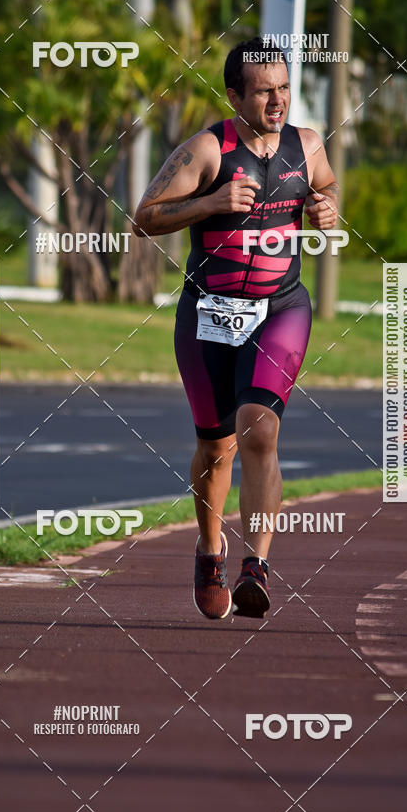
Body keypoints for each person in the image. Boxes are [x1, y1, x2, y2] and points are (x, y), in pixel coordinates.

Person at [133, 36, 339, 620]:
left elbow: (326, 188)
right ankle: (209, 549)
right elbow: (145, 218)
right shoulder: (206, 149)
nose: (277, 100)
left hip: (281, 308)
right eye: (264, 91)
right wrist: (213, 201)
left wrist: (327, 209)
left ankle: (257, 566)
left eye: (283, 88)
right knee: (214, 444)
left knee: (258, 430)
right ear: (234, 95)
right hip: (208, 312)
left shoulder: (307, 144)